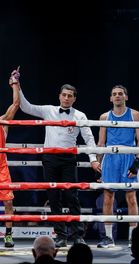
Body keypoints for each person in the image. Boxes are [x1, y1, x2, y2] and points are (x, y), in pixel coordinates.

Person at [10, 68, 101, 247]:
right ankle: (60, 235)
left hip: (68, 159)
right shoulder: (48, 110)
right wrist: (17, 85)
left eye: (70, 96)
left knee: (71, 196)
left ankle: (77, 235)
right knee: (53, 198)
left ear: (74, 98)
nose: (67, 98)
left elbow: (89, 138)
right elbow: (25, 107)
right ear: (59, 96)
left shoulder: (80, 115)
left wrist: (93, 159)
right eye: (64, 95)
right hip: (50, 159)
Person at [96, 85, 139, 248]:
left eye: (120, 94)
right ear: (110, 98)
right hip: (110, 158)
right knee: (108, 197)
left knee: (131, 198)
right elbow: (101, 142)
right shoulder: (104, 117)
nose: (117, 96)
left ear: (126, 97)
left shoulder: (135, 115)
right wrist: (99, 163)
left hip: (129, 157)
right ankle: (108, 238)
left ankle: (134, 239)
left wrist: (136, 162)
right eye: (114, 94)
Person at [0, 68, 20, 248]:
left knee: (8, 202)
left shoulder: (2, 122)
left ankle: (8, 235)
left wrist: (15, 83)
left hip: (1, 169)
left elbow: (15, 104)